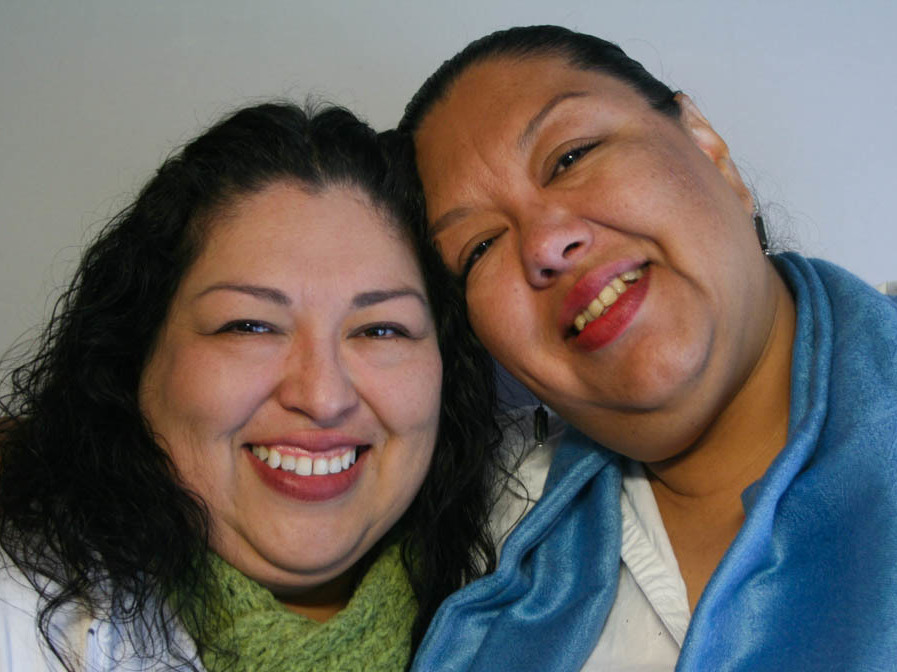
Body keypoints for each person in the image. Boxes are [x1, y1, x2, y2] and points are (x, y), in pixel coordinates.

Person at [398, 25, 897, 671]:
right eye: (480, 248)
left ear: (706, 147)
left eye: (570, 156)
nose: (545, 245)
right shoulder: (485, 548)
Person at [0, 101, 500, 671]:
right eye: (250, 326)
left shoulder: (560, 590)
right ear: (135, 357)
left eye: (380, 329)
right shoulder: (18, 619)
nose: (322, 396)